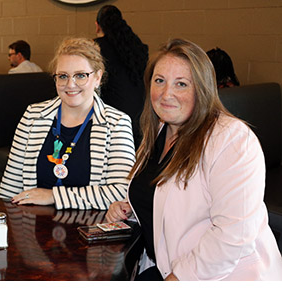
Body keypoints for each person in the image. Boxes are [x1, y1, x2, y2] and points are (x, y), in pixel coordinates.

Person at [106, 38, 282, 280]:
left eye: (181, 84)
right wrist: (131, 209)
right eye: (160, 81)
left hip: (223, 278)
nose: (167, 94)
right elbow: (167, 198)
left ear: (203, 88)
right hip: (166, 265)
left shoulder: (232, 139)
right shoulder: (160, 129)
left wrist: (176, 281)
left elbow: (233, 237)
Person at [0, 37, 135, 210]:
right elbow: (10, 187)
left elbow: (122, 193)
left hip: (88, 230)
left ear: (98, 77)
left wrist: (53, 196)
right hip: (33, 230)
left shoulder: (117, 123)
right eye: (63, 76)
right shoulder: (33, 116)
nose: (70, 85)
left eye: (80, 75)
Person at [94, 5, 148, 147]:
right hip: (140, 120)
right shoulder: (136, 46)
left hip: (113, 122)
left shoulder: (96, 48)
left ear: (97, 25)